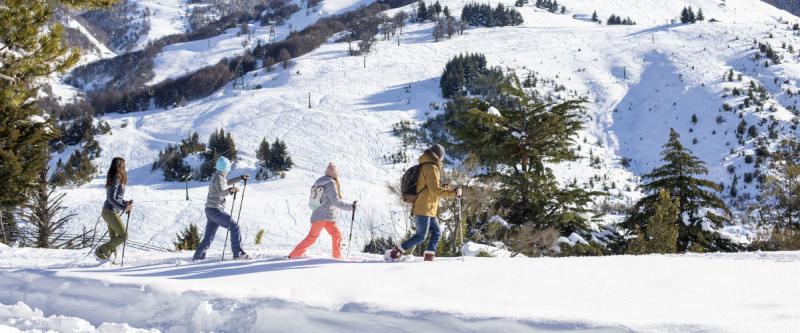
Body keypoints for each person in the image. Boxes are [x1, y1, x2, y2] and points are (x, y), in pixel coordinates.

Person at [389, 144, 461, 261]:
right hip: (424, 207)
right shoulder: (431, 167)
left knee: (436, 233)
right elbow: (435, 191)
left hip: (429, 208)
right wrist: (454, 193)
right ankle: (397, 251)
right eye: (442, 157)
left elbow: (428, 187)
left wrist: (443, 187)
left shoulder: (426, 165)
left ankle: (429, 257)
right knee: (421, 236)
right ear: (439, 156)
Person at [289, 162, 356, 259]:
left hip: (323, 216)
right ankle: (293, 255)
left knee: (336, 235)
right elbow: (336, 202)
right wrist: (351, 207)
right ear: (335, 174)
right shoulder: (330, 184)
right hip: (323, 216)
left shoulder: (319, 182)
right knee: (312, 237)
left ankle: (337, 257)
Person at [193, 156, 250, 261]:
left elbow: (227, 182)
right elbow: (220, 193)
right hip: (215, 210)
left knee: (208, 237)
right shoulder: (219, 178)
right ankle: (238, 254)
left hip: (210, 210)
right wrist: (231, 190)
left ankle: (197, 257)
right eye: (228, 168)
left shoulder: (218, 176)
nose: (228, 170)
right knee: (234, 226)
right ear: (225, 168)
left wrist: (241, 178)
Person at [96, 157, 133, 262]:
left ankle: (109, 260)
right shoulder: (116, 178)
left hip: (109, 211)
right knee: (124, 235)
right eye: (124, 165)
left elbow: (117, 198)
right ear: (120, 165)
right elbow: (111, 198)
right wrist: (124, 208)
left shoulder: (114, 178)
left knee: (114, 239)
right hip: (110, 212)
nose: (125, 167)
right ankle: (101, 251)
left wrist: (126, 203)